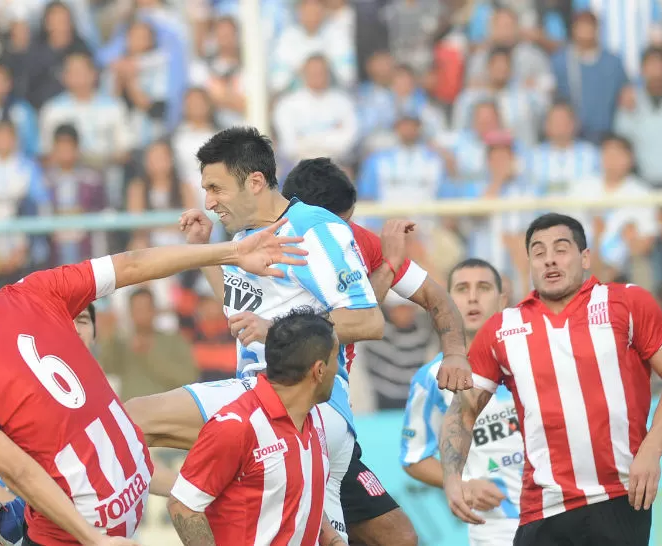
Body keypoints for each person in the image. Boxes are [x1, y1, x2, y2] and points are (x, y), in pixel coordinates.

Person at [123, 127, 470, 544]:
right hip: (258, 396)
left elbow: (367, 322)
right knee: (126, 423)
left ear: (254, 182)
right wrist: (205, 251)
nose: (208, 201)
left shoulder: (316, 229)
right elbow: (241, 310)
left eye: (215, 188)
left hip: (308, 405)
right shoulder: (244, 239)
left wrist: (278, 334)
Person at [0, 227, 306, 546]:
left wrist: (93, 539)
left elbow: (18, 470)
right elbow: (132, 263)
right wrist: (231, 251)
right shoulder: (34, 289)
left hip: (86, 518)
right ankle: (8, 519)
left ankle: (5, 520)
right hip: (134, 478)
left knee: (18, 478)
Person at [439, 213, 662, 546]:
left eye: (561, 248)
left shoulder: (627, 302)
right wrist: (451, 477)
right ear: (529, 262)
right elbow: (463, 409)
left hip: (619, 498)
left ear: (585, 257)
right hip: (543, 509)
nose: (549, 259)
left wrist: (651, 451)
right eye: (538, 251)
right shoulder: (503, 328)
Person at [281, 157, 471, 545]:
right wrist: (389, 265)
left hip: (334, 415)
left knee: (398, 537)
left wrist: (454, 352)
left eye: (349, 223)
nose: (345, 233)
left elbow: (437, 298)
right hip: (286, 420)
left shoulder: (356, 241)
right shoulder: (268, 251)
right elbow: (354, 322)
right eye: (341, 223)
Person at [166, 307, 345, 545]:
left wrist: (332, 539)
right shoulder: (237, 426)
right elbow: (183, 506)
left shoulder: (313, 418)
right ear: (319, 370)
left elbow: (300, 492)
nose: (338, 369)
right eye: (335, 359)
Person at [0, 303, 100, 546]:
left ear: (96, 334)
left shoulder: (110, 403)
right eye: (65, 321)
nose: (75, 329)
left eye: (83, 320)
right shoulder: (22, 407)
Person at [401, 259, 522, 546]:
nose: (472, 297)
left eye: (483, 287)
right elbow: (414, 459)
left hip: (555, 515)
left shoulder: (531, 361)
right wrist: (461, 484)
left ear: (502, 299)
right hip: (495, 528)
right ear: (447, 301)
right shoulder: (431, 378)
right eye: (461, 288)